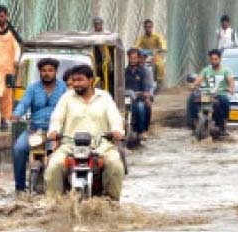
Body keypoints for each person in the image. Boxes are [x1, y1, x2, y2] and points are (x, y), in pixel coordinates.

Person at [45, 65, 125, 200]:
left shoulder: (104, 97)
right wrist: (54, 130)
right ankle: (54, 203)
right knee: (54, 166)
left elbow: (114, 117)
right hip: (70, 145)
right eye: (74, 80)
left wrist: (117, 130)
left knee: (115, 165)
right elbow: (57, 118)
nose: (76, 84)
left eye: (80, 80)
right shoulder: (66, 98)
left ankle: (112, 202)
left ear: (90, 80)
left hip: (101, 145)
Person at [11, 58, 67, 193]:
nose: (47, 73)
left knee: (63, 155)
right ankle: (20, 188)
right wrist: (16, 114)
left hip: (57, 131)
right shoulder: (33, 88)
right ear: (39, 72)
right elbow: (24, 103)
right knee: (18, 149)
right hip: (35, 130)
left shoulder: (63, 88)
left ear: (56, 72)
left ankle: (64, 186)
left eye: (50, 70)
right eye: (43, 71)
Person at [187, 49, 235, 137]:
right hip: (208, 96)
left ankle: (223, 126)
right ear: (209, 59)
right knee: (192, 98)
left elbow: (231, 81)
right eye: (212, 59)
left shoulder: (226, 71)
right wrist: (194, 86)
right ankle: (195, 123)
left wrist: (230, 88)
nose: (214, 61)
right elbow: (199, 80)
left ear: (220, 59)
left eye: (216, 59)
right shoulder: (206, 70)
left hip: (220, 95)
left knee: (225, 101)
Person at [125, 48, 153, 139]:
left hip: (140, 98)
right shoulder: (124, 72)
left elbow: (146, 87)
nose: (133, 60)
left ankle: (141, 131)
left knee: (140, 107)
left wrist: (144, 95)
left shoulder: (143, 71)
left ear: (138, 58)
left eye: (135, 58)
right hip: (127, 99)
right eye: (131, 58)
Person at [135, 19, 167, 87]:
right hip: (145, 56)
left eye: (149, 27)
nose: (148, 29)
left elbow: (163, 44)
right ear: (144, 28)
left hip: (156, 56)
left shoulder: (157, 36)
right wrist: (137, 49)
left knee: (160, 65)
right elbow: (136, 45)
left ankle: (159, 82)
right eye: (146, 27)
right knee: (136, 64)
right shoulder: (142, 38)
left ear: (152, 27)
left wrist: (161, 49)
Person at [92, 17, 114, 95]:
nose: (97, 26)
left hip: (107, 61)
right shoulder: (92, 35)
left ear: (102, 24)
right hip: (96, 60)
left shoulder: (107, 34)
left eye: (99, 24)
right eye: (96, 24)